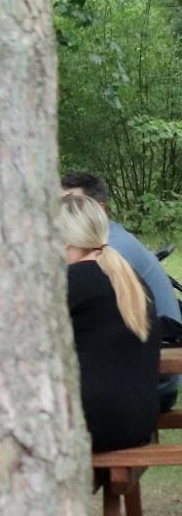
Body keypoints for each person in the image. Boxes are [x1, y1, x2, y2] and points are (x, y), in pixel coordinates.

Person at [62, 171, 179, 409]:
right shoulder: (110, 255)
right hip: (138, 400)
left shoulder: (100, 261)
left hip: (148, 387)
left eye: (73, 204)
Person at [60, 192, 160, 453]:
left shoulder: (72, 281)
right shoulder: (129, 277)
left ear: (63, 242)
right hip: (136, 423)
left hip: (93, 425)